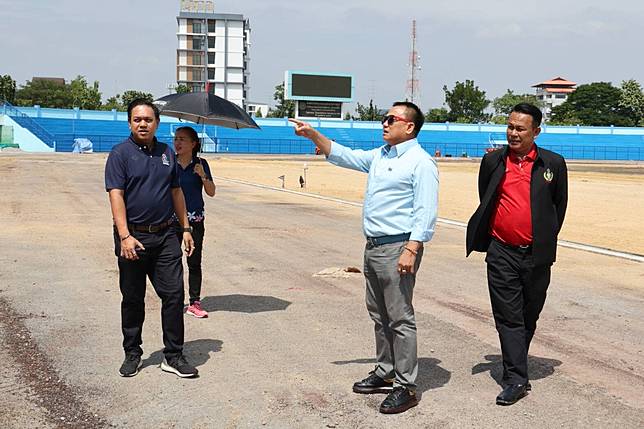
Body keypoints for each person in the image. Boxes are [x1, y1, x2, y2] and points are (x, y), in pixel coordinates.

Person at [289, 101, 439, 414]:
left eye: (391, 119)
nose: (384, 123)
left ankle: (406, 386)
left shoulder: (420, 162)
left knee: (400, 317)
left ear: (409, 126)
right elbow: (346, 155)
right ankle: (386, 370)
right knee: (379, 314)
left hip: (398, 246)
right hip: (373, 246)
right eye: (385, 118)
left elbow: (426, 210)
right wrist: (313, 135)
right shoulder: (381, 155)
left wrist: (412, 248)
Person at [466, 103, 568, 405]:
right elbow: (486, 196)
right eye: (510, 126)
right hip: (501, 252)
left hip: (537, 254)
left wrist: (544, 238)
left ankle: (514, 361)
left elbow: (559, 206)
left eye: (520, 128)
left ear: (536, 131)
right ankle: (516, 379)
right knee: (508, 317)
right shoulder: (493, 161)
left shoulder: (553, 163)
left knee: (528, 314)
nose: (513, 133)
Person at [105, 99, 199, 379]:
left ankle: (173, 355)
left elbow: (176, 192)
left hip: (166, 235)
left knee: (174, 295)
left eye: (148, 119)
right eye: (137, 120)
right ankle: (132, 353)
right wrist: (124, 236)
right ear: (130, 123)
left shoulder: (167, 153)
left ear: (157, 123)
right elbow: (116, 195)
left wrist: (185, 229)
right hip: (132, 237)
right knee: (133, 298)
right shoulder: (120, 154)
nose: (143, 124)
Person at [172, 126, 216, 318]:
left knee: (194, 261)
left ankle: (194, 302)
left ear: (193, 144)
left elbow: (211, 192)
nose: (177, 142)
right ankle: (174, 300)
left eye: (182, 139)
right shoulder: (168, 162)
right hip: (171, 220)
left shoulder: (201, 163)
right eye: (176, 138)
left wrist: (203, 175)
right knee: (171, 261)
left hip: (195, 220)